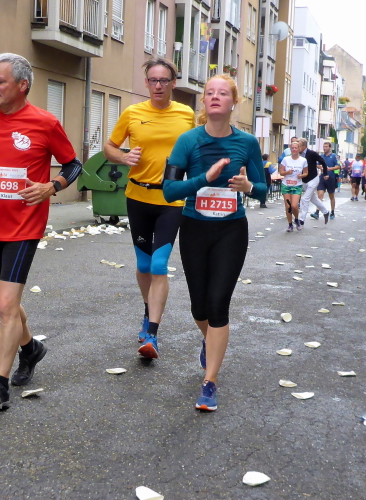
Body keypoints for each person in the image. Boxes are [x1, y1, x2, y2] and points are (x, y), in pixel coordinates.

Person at [0, 53, 83, 410]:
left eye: (0, 81)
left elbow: (74, 164)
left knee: (6, 305)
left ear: (22, 85)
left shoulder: (45, 122)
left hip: (24, 226)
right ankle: (31, 349)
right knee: (3, 303)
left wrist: (51, 186)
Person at [162, 74, 266, 412]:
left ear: (234, 101)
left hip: (231, 231)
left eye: (223, 93)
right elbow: (169, 190)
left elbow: (263, 189)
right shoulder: (187, 141)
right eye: (210, 92)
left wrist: (248, 187)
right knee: (199, 308)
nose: (216, 97)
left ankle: (210, 382)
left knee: (218, 304)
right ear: (204, 101)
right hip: (194, 228)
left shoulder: (247, 143)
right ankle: (210, 341)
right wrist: (203, 179)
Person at [104, 58, 196, 359]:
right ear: (146, 83)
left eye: (164, 80)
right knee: (144, 265)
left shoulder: (186, 114)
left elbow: (196, 149)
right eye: (153, 80)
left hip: (171, 200)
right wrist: (123, 157)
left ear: (173, 83)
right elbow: (110, 146)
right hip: (138, 197)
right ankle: (148, 311)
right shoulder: (133, 113)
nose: (158, 85)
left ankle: (152, 335)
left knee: (158, 265)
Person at [296, 138, 329, 226]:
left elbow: (322, 161)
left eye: (299, 146)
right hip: (304, 180)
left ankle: (302, 219)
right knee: (313, 199)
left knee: (305, 198)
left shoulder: (312, 153)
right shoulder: (298, 155)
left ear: (304, 146)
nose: (298, 148)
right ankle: (325, 212)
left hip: (313, 179)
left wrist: (325, 173)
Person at [280, 141, 308, 232]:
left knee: (294, 206)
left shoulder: (303, 160)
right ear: (290, 149)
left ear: (299, 149)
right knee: (288, 206)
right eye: (292, 148)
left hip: (297, 185)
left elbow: (306, 173)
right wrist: (288, 172)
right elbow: (281, 172)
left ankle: (296, 219)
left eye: (296, 148)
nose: (294, 149)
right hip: (286, 185)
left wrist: (301, 175)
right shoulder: (286, 159)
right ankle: (290, 224)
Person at [311, 141, 339, 220]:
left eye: (326, 146)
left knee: (331, 195)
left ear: (330, 148)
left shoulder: (334, 156)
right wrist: (320, 167)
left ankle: (332, 212)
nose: (325, 148)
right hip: (322, 177)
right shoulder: (321, 156)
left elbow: (338, 166)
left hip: (331, 177)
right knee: (320, 195)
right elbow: (316, 164)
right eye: (324, 146)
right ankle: (317, 212)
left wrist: (330, 168)